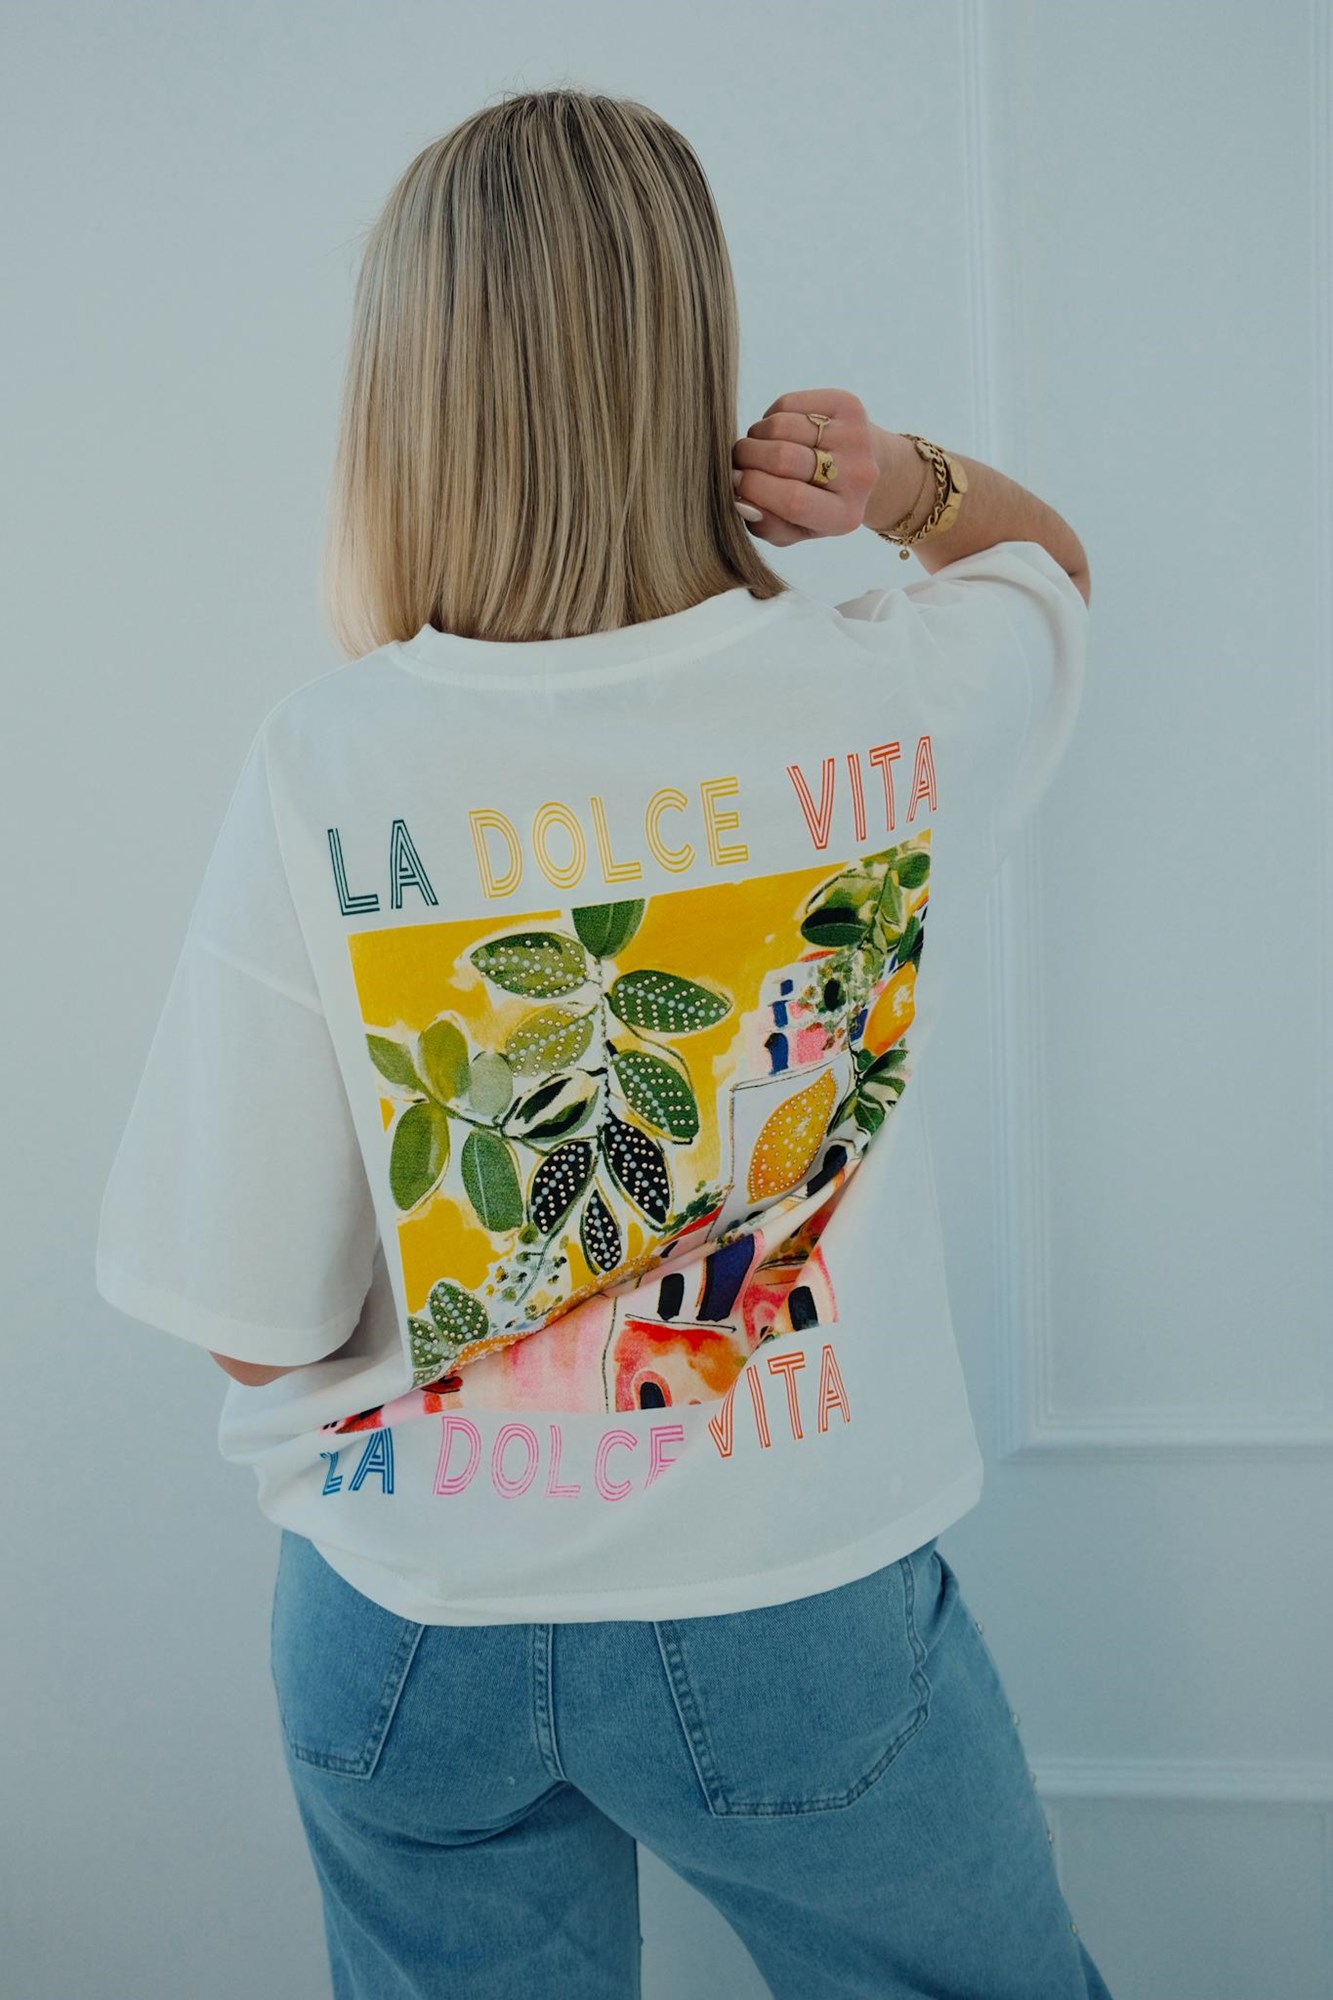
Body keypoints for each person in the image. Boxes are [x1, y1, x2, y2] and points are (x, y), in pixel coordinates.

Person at [94, 87, 1112, 2000]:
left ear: (404, 401)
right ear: (686, 356)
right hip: (790, 1614)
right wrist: (902, 486)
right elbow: (1045, 577)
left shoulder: (328, 765)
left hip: (410, 1619)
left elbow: (251, 1320)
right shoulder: (883, 694)